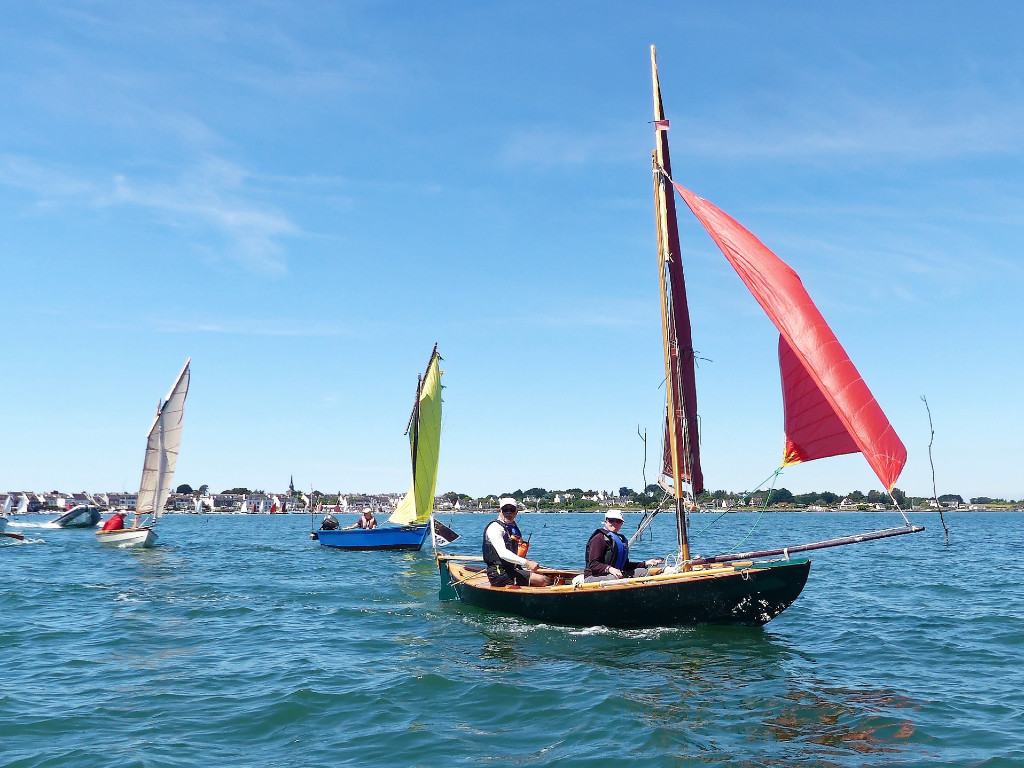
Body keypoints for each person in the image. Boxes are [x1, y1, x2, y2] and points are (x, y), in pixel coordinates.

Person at [584, 509, 662, 582]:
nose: (614, 523)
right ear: (606, 522)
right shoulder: (598, 538)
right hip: (593, 577)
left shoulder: (620, 539)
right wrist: (610, 569)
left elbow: (625, 565)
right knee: (614, 578)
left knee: (644, 572)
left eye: (618, 521)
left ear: (622, 523)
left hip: (615, 574)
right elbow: (593, 564)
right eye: (611, 521)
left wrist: (645, 563)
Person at [483, 497, 546, 587]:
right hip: (498, 573)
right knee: (541, 580)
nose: (508, 512)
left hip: (512, 569)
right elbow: (503, 553)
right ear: (499, 510)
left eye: (512, 509)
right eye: (505, 509)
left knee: (544, 576)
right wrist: (527, 563)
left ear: (516, 512)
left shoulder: (512, 527)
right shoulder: (495, 528)